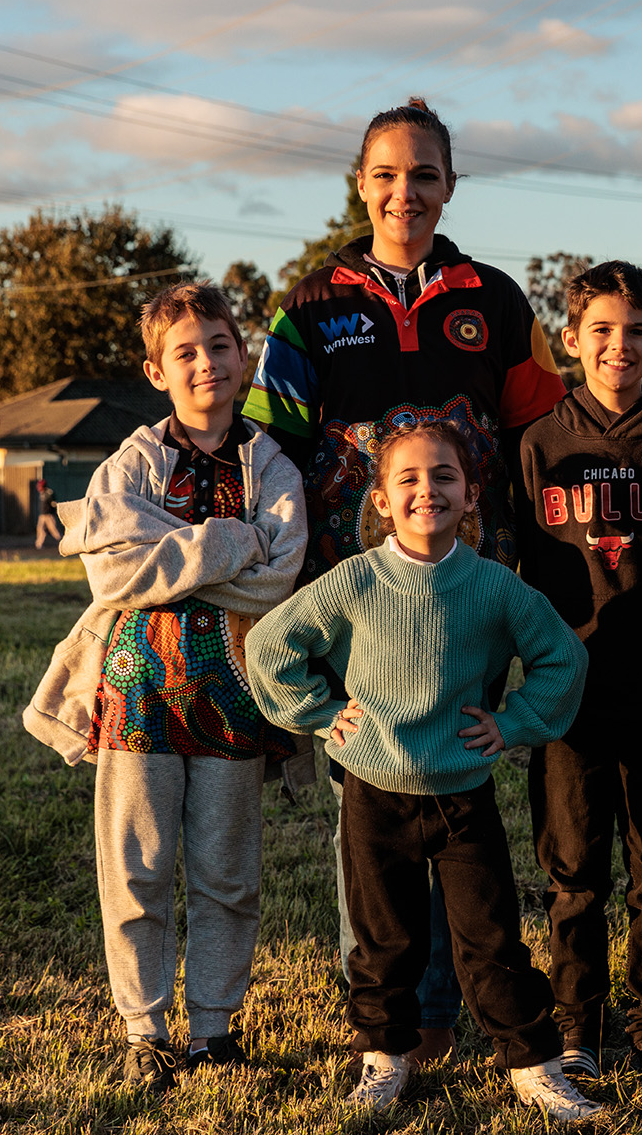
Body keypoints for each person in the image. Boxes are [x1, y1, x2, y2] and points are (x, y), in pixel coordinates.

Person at [241, 97, 567, 1060]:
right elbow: (272, 446)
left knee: (454, 783)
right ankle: (392, 1022)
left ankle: (448, 1001)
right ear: (360, 184)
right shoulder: (309, 308)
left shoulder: (497, 300)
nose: (404, 192)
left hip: (467, 594)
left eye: (424, 174)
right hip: (354, 596)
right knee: (372, 804)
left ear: (450, 187)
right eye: (386, 174)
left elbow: (543, 440)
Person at [246, 422, 603, 1122]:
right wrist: (319, 713)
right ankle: (384, 1054)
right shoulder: (354, 580)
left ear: (471, 495)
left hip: (463, 792)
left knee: (491, 936)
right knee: (384, 937)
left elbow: (564, 657)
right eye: (407, 478)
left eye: (444, 476)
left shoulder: (495, 587)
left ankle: (532, 1061)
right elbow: (269, 645)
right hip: (373, 790)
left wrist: (514, 722)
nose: (426, 490)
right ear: (380, 499)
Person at [21, 282, 308, 1096]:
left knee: (227, 872)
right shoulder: (131, 462)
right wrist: (229, 540)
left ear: (243, 357)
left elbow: (277, 577)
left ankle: (213, 1029)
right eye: (184, 351)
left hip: (235, 696)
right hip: (137, 692)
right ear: (156, 370)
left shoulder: (271, 464)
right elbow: (110, 569)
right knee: (136, 869)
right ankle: (145, 1030)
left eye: (219, 345)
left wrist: (176, 558)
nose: (205, 362)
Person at [515, 261, 642, 1081]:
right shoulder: (541, 443)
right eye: (601, 330)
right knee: (574, 875)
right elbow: (519, 572)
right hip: (568, 690)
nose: (619, 346)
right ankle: (576, 1030)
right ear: (571, 340)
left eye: (636, 331)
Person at [33, 478, 63, 549]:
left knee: (54, 530)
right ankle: (38, 545)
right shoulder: (41, 493)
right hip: (42, 515)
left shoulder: (49, 493)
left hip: (49, 515)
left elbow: (53, 504)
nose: (38, 487)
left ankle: (62, 542)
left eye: (40, 486)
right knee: (40, 530)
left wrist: (53, 511)